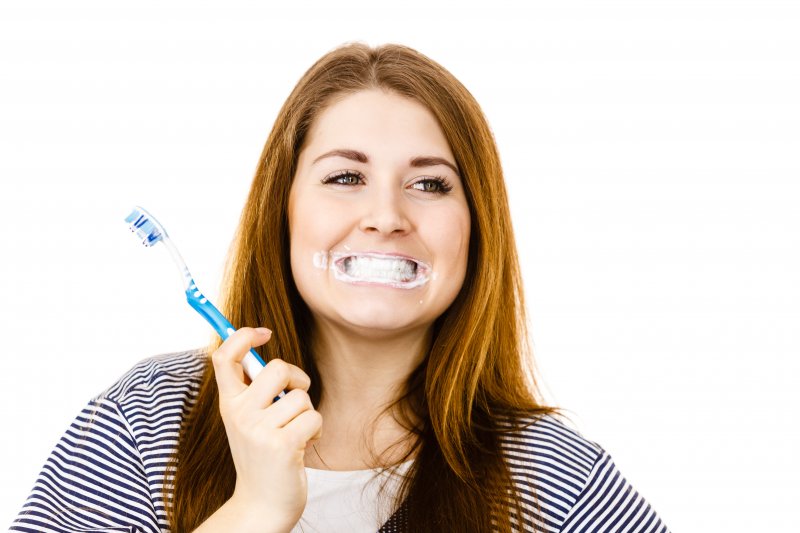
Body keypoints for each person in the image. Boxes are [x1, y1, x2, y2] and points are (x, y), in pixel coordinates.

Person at [11, 42, 669, 533]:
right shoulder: (146, 422)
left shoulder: (553, 481)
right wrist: (255, 508)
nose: (386, 214)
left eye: (431, 183)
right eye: (345, 178)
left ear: (476, 227)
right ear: (285, 210)